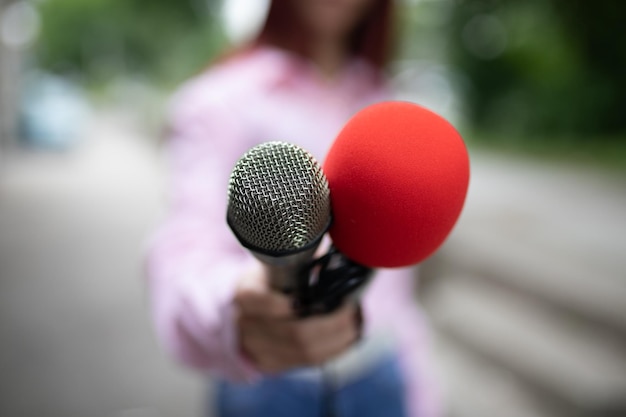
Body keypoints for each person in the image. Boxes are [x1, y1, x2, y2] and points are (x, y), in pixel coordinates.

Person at [145, 1, 440, 416]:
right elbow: (182, 253)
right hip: (269, 387)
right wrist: (239, 310)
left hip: (381, 373)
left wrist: (421, 394)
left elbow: (397, 289)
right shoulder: (222, 98)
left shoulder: (386, 103)